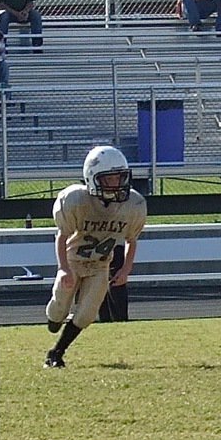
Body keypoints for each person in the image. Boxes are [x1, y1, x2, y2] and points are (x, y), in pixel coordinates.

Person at [43, 146, 147, 368]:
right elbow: (61, 237)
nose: (117, 183)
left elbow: (132, 240)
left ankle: (56, 353)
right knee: (58, 310)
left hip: (100, 265)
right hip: (73, 261)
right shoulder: (76, 200)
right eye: (109, 178)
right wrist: (63, 268)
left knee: (87, 314)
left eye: (120, 177)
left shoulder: (132, 205)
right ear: (93, 178)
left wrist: (126, 269)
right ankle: (54, 321)